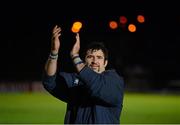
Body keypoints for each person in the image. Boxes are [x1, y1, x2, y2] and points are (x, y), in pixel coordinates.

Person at [42, 25, 125, 124]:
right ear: (84, 60)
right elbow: (49, 81)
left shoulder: (114, 80)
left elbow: (96, 86)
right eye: (90, 56)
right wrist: (54, 52)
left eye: (99, 57)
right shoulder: (75, 80)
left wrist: (75, 56)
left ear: (105, 63)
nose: (94, 61)